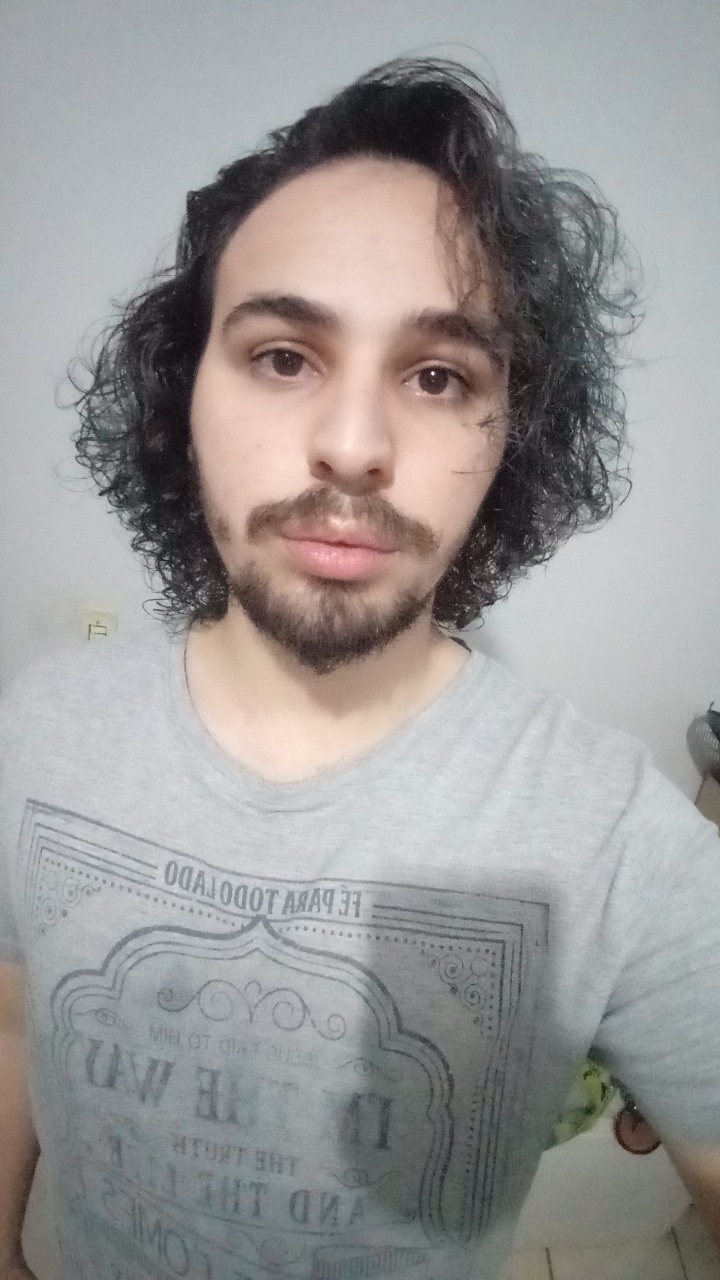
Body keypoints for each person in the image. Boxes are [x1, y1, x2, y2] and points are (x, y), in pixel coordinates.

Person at [0, 57, 718, 1280]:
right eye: (284, 355)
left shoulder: (616, 842)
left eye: (439, 376)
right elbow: (17, 1013)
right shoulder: (37, 728)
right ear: (182, 395)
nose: (351, 444)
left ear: (511, 442)